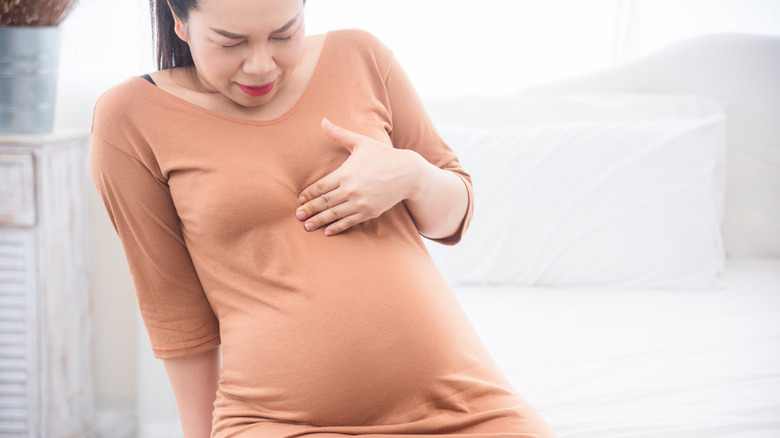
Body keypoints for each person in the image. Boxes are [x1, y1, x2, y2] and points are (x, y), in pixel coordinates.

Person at [90, 0, 556, 436]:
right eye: (231, 42)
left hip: (467, 408)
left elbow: (453, 217)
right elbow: (175, 312)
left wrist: (412, 175)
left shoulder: (362, 56)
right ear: (179, 19)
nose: (261, 64)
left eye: (283, 33)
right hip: (279, 421)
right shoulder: (130, 119)